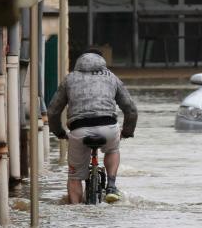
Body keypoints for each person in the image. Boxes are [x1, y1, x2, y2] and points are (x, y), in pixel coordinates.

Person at [48, 47, 137, 204]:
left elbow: (53, 111)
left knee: (74, 176)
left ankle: (76, 209)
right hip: (108, 127)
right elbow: (130, 108)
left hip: (78, 129)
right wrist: (127, 131)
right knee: (112, 149)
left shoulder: (70, 79)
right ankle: (111, 186)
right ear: (102, 61)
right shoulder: (111, 77)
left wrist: (60, 133)